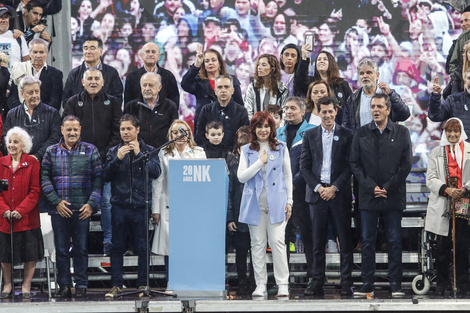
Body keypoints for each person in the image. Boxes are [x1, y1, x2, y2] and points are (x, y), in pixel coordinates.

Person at [350, 93, 412, 298]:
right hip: (368, 196)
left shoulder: (402, 132)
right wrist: (370, 186)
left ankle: (396, 284)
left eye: (379, 106)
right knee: (367, 241)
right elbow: (355, 164)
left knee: (394, 240)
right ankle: (367, 283)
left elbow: (406, 165)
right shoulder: (361, 133)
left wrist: (388, 186)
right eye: (373, 106)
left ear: (388, 109)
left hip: (392, 196)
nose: (375, 110)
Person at [41, 115, 103, 299]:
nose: (72, 132)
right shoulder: (50, 151)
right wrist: (56, 202)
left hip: (82, 210)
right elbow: (44, 178)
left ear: (80, 129)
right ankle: (65, 286)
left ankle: (82, 285)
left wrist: (91, 205)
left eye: (75, 129)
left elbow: (99, 179)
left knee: (81, 249)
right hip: (58, 210)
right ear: (62, 130)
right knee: (60, 249)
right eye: (68, 129)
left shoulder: (91, 150)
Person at [63, 67, 122, 255]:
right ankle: (78, 244)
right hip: (79, 162)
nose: (93, 82)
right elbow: (68, 132)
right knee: (78, 202)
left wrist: (101, 155)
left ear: (103, 82)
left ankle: (108, 241)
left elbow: (117, 133)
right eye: (90, 79)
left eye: (97, 78)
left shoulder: (112, 102)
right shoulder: (73, 102)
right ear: (83, 82)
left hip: (105, 160)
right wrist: (84, 154)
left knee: (105, 201)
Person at [300, 96, 354, 297]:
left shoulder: (347, 135)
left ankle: (346, 281)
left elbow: (350, 165)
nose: (328, 115)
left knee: (344, 241)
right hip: (317, 195)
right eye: (324, 111)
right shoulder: (309, 134)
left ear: (336, 111)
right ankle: (316, 281)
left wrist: (334, 187)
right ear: (318, 112)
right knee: (317, 241)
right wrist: (318, 188)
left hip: (338, 194)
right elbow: (304, 166)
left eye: (331, 111)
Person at [104, 114, 161, 298]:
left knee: (143, 247)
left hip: (140, 206)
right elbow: (105, 176)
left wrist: (139, 155)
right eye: (122, 129)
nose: (125, 132)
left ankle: (143, 285)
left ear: (137, 129)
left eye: (129, 129)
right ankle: (116, 285)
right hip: (119, 206)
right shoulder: (114, 151)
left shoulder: (148, 150)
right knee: (117, 246)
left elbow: (155, 172)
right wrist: (117, 160)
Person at [237, 111, 292, 298]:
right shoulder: (246, 150)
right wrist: (260, 162)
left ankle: (282, 283)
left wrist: (289, 201)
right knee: (257, 244)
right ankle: (260, 283)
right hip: (254, 205)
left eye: (266, 126)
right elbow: (241, 176)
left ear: (272, 128)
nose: (263, 130)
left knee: (278, 242)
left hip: (277, 203)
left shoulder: (281, 147)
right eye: (259, 126)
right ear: (253, 129)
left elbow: (287, 176)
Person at [151, 120, 205, 276]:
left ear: (189, 133)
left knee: (190, 244)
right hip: (169, 205)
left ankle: (190, 278)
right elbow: (158, 182)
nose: (179, 135)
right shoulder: (164, 153)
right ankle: (171, 279)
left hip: (192, 206)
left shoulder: (199, 153)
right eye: (175, 132)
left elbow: (203, 183)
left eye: (183, 131)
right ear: (170, 135)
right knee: (170, 246)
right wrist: (156, 208)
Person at [425, 117, 470, 297]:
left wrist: (465, 188)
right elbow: (431, 178)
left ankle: (464, 284)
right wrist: (447, 190)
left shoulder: (469, 150)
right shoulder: (435, 152)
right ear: (444, 133)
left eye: (456, 131)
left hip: (464, 203)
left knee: (463, 246)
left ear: (461, 132)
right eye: (449, 131)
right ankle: (442, 284)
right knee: (442, 248)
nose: (452, 134)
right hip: (443, 203)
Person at [0, 127, 42, 299]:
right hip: (5, 219)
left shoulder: (33, 163)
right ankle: (8, 285)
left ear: (24, 145)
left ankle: (26, 285)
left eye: (15, 142)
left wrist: (21, 211)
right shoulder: (1, 163)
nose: (11, 145)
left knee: (30, 254)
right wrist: (4, 210)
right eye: (10, 141)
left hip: (27, 219)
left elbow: (35, 191)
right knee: (5, 254)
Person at [181, 46, 243, 129]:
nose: (210, 63)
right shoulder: (198, 81)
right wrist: (196, 65)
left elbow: (239, 106)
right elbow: (185, 84)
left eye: (213, 60)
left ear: (219, 63)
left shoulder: (231, 80)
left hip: (227, 126)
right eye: (206, 61)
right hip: (204, 126)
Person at [2, 75, 61, 161]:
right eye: (30, 92)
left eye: (37, 91)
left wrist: (37, 156)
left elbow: (55, 138)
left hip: (45, 162)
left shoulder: (53, 113)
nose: (34, 95)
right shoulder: (12, 114)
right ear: (22, 93)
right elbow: (6, 138)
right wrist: (19, 156)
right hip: (19, 163)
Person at [342, 58, 410, 132]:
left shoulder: (388, 95)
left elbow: (404, 115)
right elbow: (346, 127)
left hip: (385, 142)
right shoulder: (352, 99)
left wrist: (391, 94)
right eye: (362, 73)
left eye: (369, 73)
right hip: (361, 142)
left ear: (377, 75)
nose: (365, 76)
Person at [227, 126, 254, 294]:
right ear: (237, 150)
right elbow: (229, 193)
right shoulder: (233, 168)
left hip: (255, 216)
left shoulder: (259, 166)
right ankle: (243, 280)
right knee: (241, 251)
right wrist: (230, 218)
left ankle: (255, 281)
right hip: (238, 216)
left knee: (256, 251)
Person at [62, 36, 123, 107]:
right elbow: (66, 101)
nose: (88, 52)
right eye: (85, 48)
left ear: (100, 51)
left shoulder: (111, 72)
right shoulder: (74, 73)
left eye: (92, 48)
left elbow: (117, 99)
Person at [124, 72, 178, 150]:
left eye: (151, 85)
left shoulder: (170, 106)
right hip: (138, 152)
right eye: (144, 85)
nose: (147, 88)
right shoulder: (131, 106)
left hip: (163, 152)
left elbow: (174, 132)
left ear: (159, 87)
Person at [195, 74, 249, 148]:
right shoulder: (206, 110)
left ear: (232, 90)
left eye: (226, 87)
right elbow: (199, 136)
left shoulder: (242, 111)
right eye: (220, 87)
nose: (223, 90)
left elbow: (244, 138)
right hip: (210, 155)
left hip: (234, 154)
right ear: (215, 91)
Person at [8, 38, 63, 110]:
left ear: (47, 53)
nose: (38, 55)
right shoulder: (19, 69)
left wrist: (38, 114)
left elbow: (55, 101)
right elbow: (12, 97)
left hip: (46, 116)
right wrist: (24, 112)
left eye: (41, 52)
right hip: (20, 116)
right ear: (30, 53)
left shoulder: (56, 74)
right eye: (35, 52)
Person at [295, 47, 352, 115]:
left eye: (325, 59)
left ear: (331, 63)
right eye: (319, 59)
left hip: (339, 122)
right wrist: (304, 57)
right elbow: (299, 79)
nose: (321, 61)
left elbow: (351, 105)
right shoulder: (311, 82)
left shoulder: (342, 83)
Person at [124, 42, 180, 106]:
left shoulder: (168, 76)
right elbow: (128, 106)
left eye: (153, 52)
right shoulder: (132, 77)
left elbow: (174, 104)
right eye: (147, 52)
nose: (150, 54)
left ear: (159, 56)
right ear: (141, 56)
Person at [244, 54, 289, 119]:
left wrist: (276, 127)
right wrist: (256, 126)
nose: (259, 67)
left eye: (263, 65)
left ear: (272, 69)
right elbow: (248, 111)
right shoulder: (252, 87)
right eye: (258, 64)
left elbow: (284, 114)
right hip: (256, 127)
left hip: (276, 127)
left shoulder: (282, 90)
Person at [429, 71, 470, 136]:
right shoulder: (453, 99)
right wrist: (436, 96)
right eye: (469, 78)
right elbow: (435, 116)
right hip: (458, 145)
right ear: (465, 80)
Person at [447, 6, 470, 75]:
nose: (463, 24)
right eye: (461, 22)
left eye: (466, 20)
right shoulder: (458, 42)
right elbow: (450, 66)